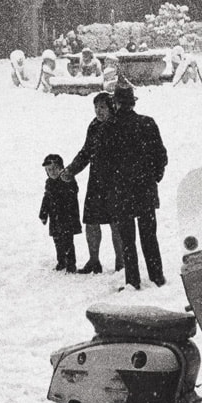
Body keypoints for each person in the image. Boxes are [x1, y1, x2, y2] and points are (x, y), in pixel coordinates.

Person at [104, 85, 169, 290]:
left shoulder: (108, 128)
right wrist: (153, 178)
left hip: (121, 191)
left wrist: (112, 186)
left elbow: (104, 164)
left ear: (116, 103)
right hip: (145, 189)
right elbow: (161, 156)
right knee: (149, 236)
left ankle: (133, 280)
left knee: (127, 240)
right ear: (133, 103)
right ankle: (157, 276)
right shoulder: (147, 123)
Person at [66, 92, 125, 274]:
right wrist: (71, 169)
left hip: (115, 182)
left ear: (111, 108)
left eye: (102, 107)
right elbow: (86, 152)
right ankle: (94, 261)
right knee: (91, 222)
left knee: (117, 224)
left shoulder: (118, 126)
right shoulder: (94, 126)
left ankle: (121, 263)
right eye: (96, 107)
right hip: (96, 181)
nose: (99, 111)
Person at [40, 154, 82, 272]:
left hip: (67, 217)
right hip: (55, 218)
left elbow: (74, 191)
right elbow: (46, 199)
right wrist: (43, 214)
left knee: (68, 241)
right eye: (49, 170)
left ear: (61, 168)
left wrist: (68, 180)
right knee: (57, 240)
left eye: (54, 168)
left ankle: (71, 264)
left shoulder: (68, 180)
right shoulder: (49, 183)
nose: (52, 172)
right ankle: (61, 261)